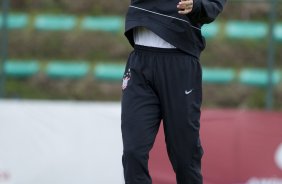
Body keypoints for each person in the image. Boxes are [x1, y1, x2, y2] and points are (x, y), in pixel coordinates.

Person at [121, 0, 226, 183]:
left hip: (180, 64)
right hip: (139, 63)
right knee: (133, 152)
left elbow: (213, 6)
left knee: (185, 156)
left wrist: (197, 5)